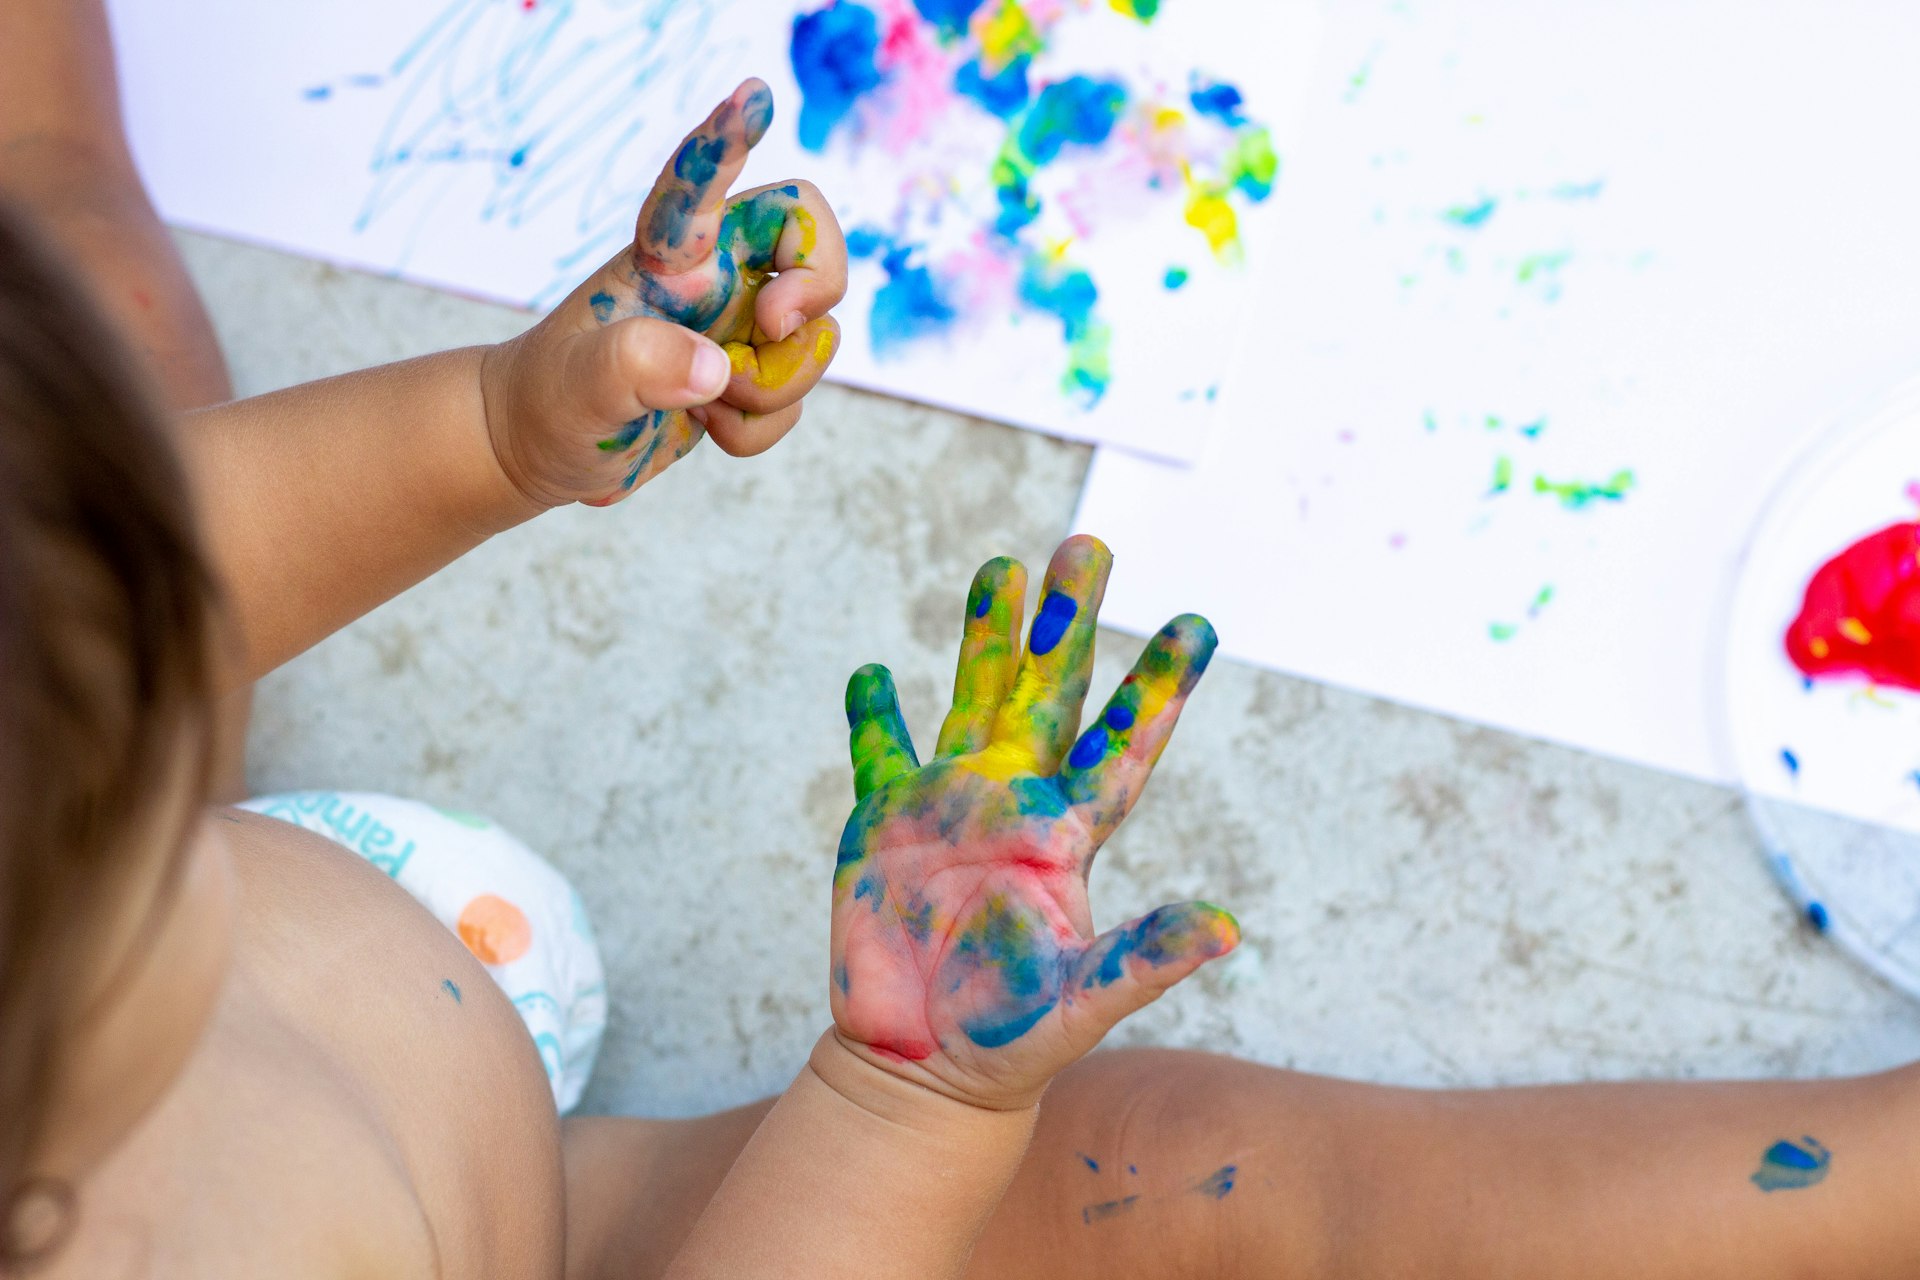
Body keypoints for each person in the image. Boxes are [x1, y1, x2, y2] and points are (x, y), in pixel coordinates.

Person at [5, 3, 1919, 1276]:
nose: (176, 645)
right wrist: (904, 1100)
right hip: (546, 1242)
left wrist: (506, 426)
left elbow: (173, 568)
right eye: (123, 809)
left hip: (334, 1028)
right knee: (1190, 1181)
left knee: (75, 314)